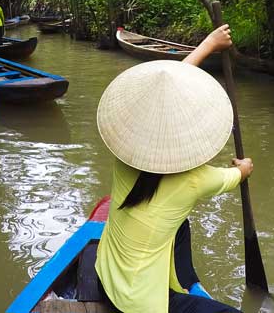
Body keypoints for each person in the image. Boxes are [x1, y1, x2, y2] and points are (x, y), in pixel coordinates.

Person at [95, 24, 253, 313]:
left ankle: (184, 281)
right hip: (141, 306)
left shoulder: (124, 157)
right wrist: (245, 166)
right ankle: (181, 291)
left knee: (179, 224)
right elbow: (239, 174)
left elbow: (169, 86)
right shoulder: (196, 179)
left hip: (105, 279)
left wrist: (209, 44)